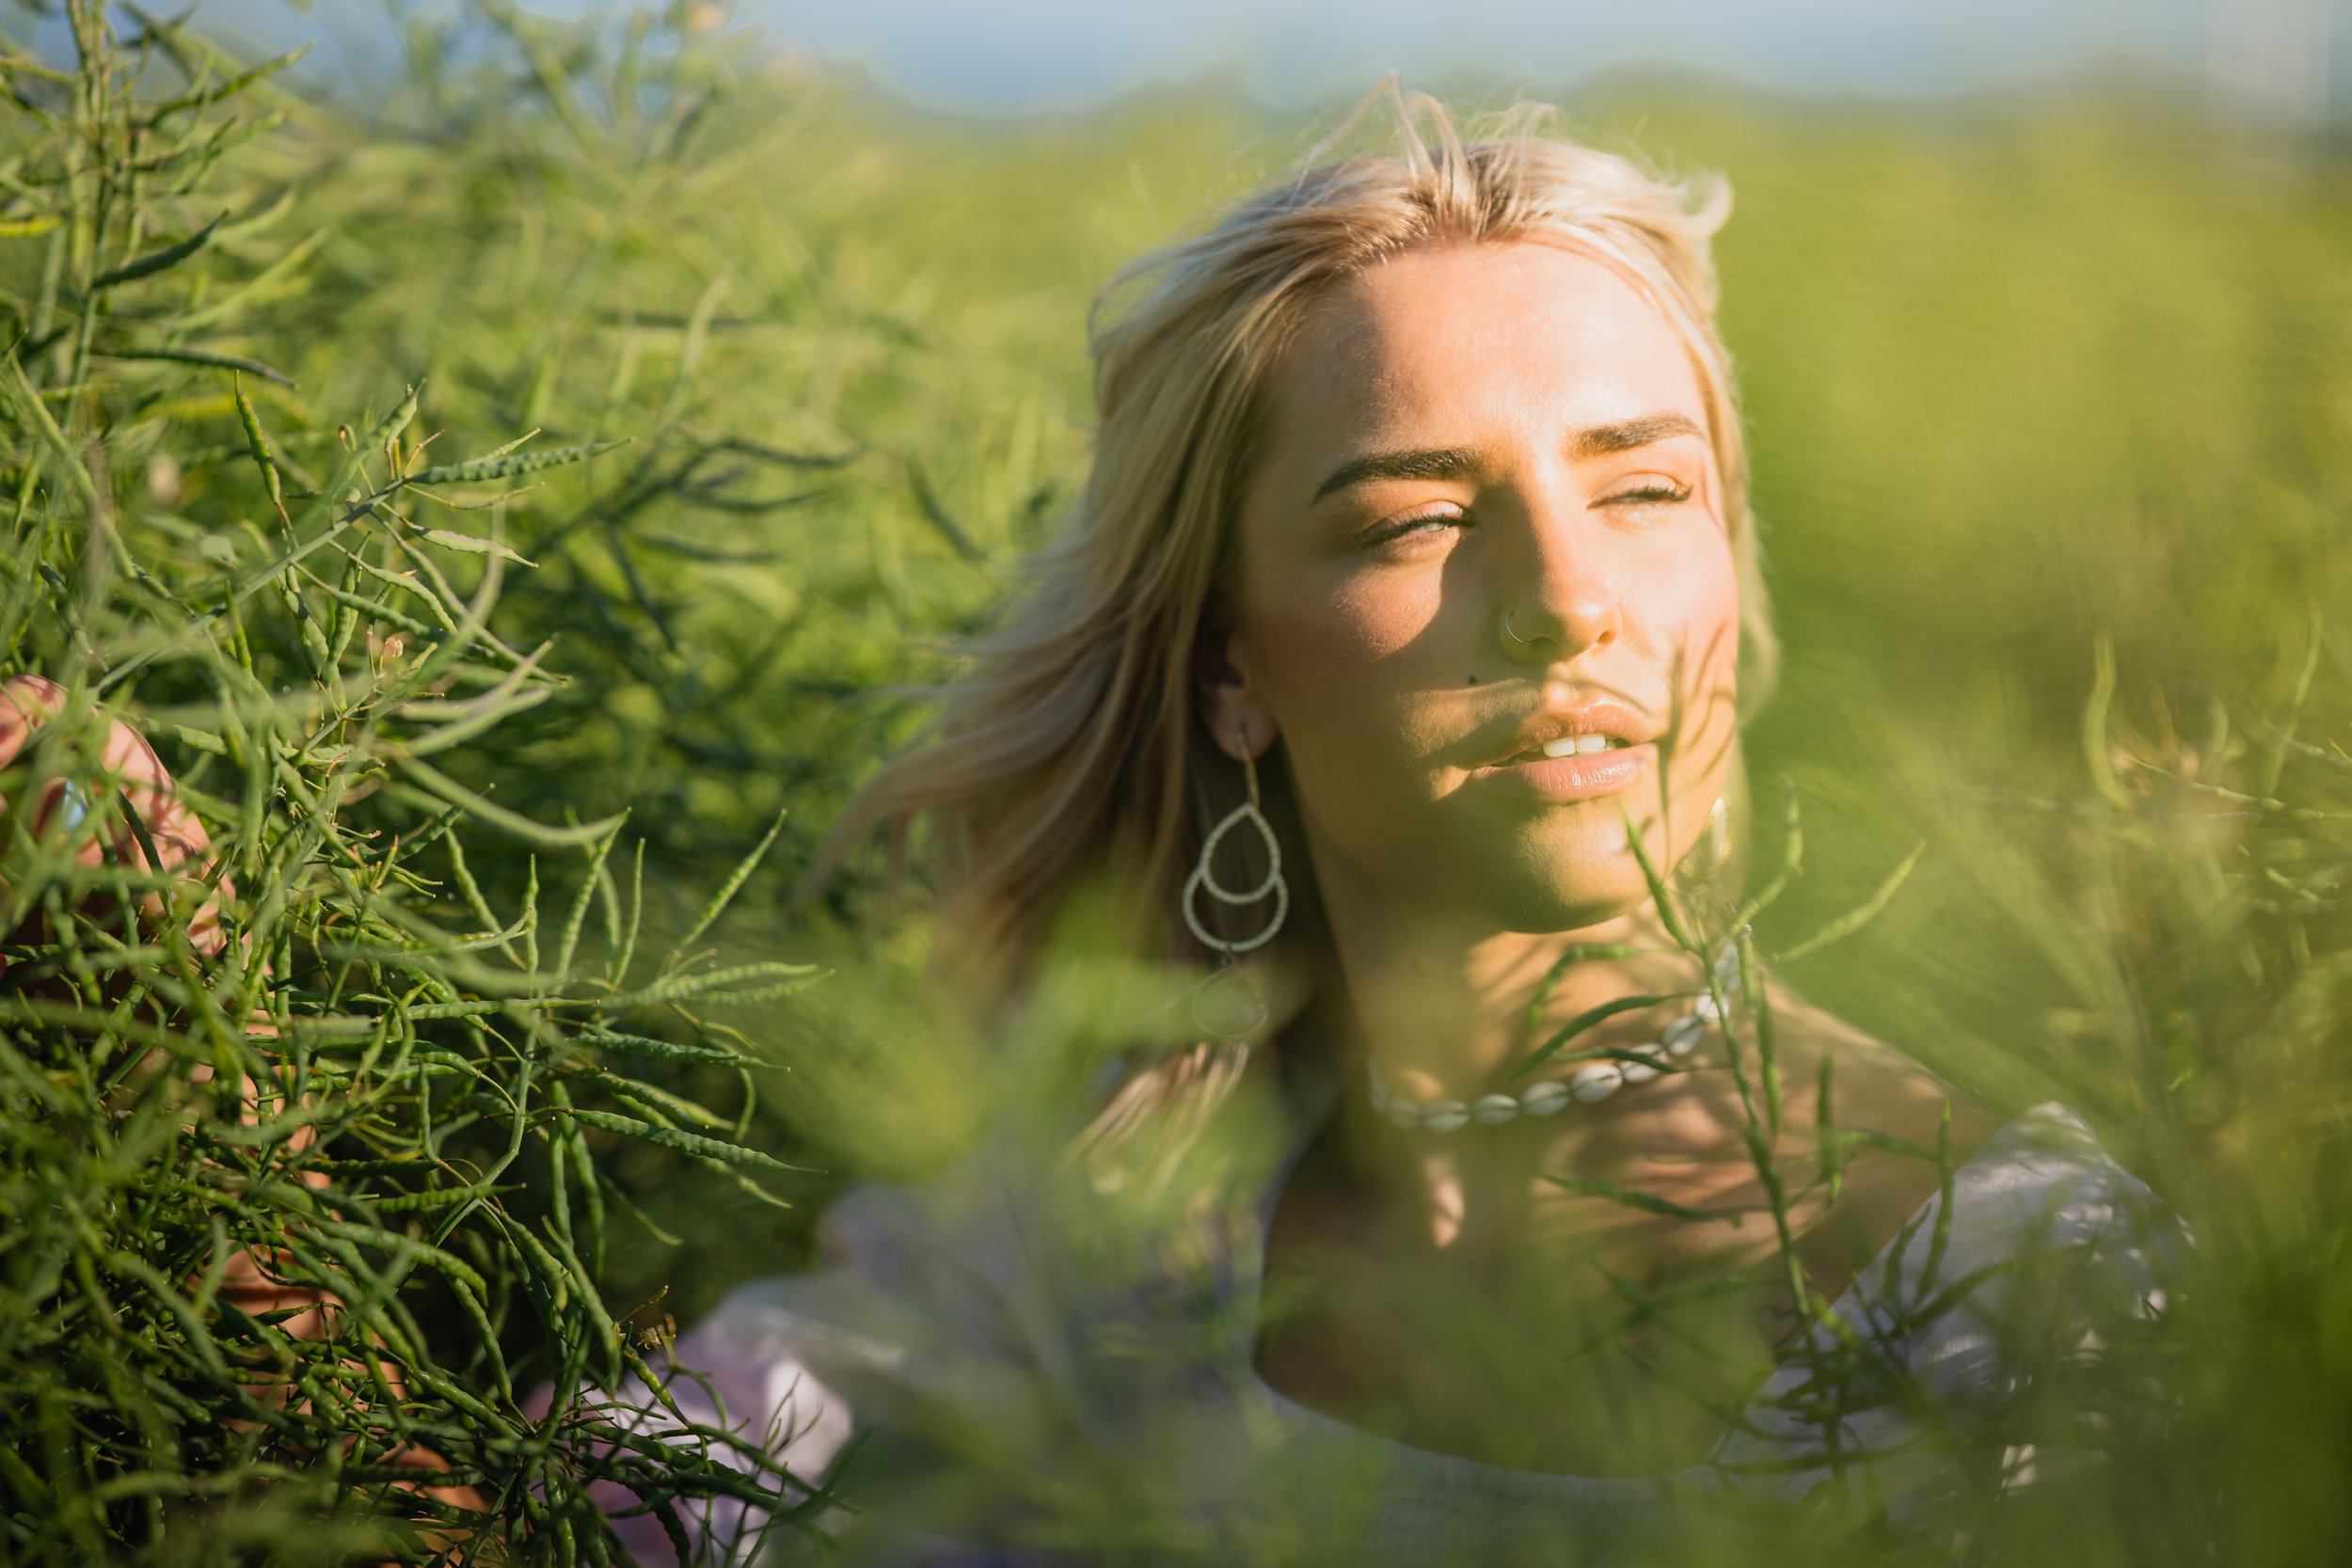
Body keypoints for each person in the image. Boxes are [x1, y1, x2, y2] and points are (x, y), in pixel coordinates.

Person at [564, 93, 2178, 1567]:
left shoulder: (2017, 1287)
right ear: (1233, 664)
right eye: (1416, 518)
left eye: (1644, 491)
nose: (1565, 605)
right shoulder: (1128, 1213)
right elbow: (659, 1493)